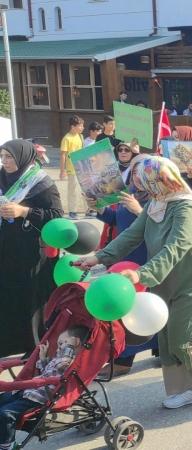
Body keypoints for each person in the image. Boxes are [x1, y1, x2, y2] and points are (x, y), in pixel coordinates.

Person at [79, 156, 192, 409]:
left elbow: (176, 246)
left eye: (146, 183)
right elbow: (130, 236)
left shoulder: (186, 207)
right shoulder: (155, 205)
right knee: (168, 337)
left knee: (187, 336)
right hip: (166, 276)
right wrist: (98, 257)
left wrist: (142, 274)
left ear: (162, 180)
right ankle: (187, 389)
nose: (142, 189)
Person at [0, 140, 63, 358]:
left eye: (9, 157)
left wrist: (23, 212)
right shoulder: (2, 178)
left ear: (23, 157)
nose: (5, 162)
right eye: (3, 157)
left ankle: (35, 347)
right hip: (6, 249)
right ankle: (8, 343)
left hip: (32, 251)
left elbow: (56, 216)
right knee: (7, 294)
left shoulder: (40, 183)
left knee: (31, 299)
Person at [94, 151, 154, 375]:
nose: (137, 174)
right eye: (134, 169)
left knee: (145, 306)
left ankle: (128, 358)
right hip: (124, 255)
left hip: (146, 258)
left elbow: (161, 227)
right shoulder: (128, 191)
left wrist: (139, 210)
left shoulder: (157, 196)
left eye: (143, 169)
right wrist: (100, 209)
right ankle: (123, 356)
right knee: (126, 307)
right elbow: (114, 218)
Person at [0, 326, 89, 450]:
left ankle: (8, 445)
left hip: (38, 395)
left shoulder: (71, 359)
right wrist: (43, 358)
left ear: (75, 342)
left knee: (5, 413)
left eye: (63, 342)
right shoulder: (59, 357)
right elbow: (47, 371)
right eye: (59, 344)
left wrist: (69, 347)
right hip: (28, 389)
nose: (59, 346)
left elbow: (63, 366)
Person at [59, 115, 86, 220]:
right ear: (73, 126)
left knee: (85, 190)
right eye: (80, 126)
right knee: (73, 191)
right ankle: (72, 212)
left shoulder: (80, 136)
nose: (82, 128)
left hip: (82, 168)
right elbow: (62, 155)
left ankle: (89, 210)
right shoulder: (67, 138)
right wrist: (62, 170)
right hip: (72, 169)